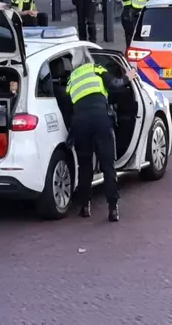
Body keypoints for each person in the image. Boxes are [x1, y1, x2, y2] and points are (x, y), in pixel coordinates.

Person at [67, 49, 137, 222]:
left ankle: (84, 206)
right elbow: (115, 85)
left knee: (84, 166)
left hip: (80, 123)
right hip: (100, 119)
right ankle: (113, 208)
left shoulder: (71, 79)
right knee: (107, 164)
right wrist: (128, 76)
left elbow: (70, 104)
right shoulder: (96, 69)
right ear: (88, 58)